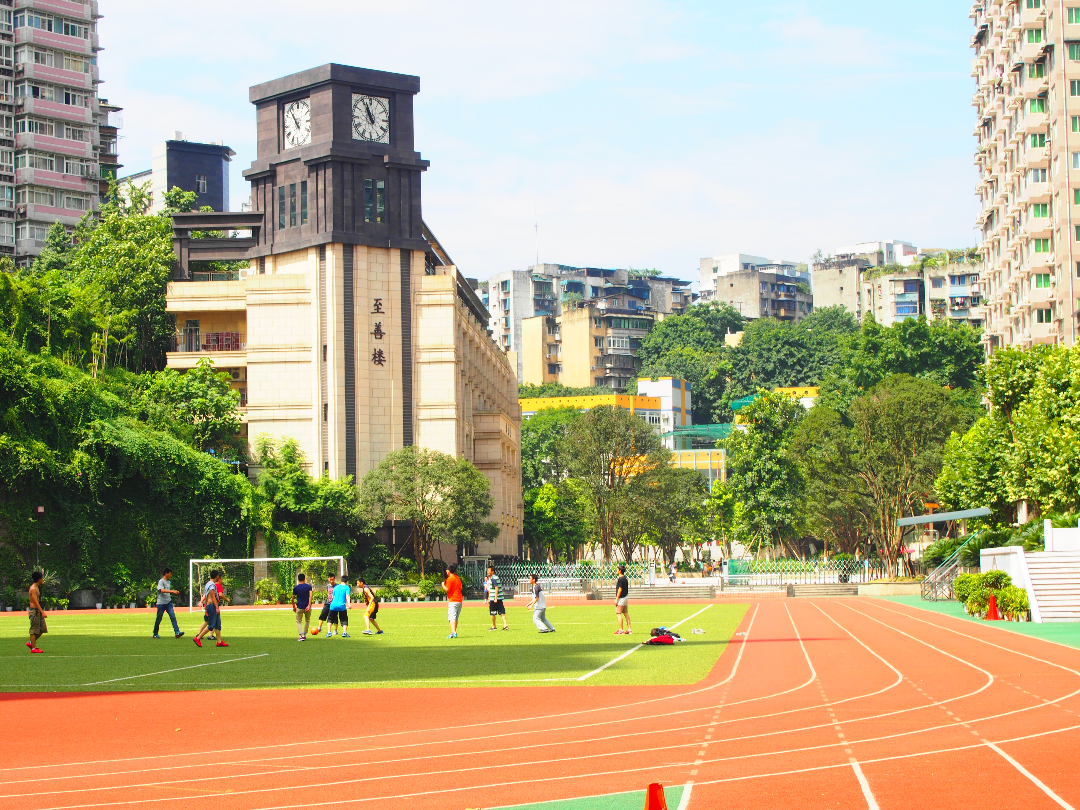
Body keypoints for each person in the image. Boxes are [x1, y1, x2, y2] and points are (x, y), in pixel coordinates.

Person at [194, 570, 228, 648]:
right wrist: (217, 607)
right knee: (211, 625)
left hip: (209, 606)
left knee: (217, 624)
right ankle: (198, 638)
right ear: (216, 576)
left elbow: (205, 596)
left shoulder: (207, 584)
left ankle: (219, 642)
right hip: (212, 606)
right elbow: (213, 597)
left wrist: (206, 608)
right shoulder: (212, 586)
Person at [152, 567, 184, 639]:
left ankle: (177, 632)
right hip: (161, 603)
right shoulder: (161, 581)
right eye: (170, 573)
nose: (170, 575)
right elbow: (162, 590)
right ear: (166, 573)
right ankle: (155, 633)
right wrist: (172, 591)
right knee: (159, 618)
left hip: (168, 602)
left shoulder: (169, 582)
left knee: (173, 617)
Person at [27, 571, 47, 653]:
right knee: (34, 630)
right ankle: (33, 648)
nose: (43, 580)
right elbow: (35, 602)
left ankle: (31, 643)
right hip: (34, 611)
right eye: (42, 578)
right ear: (39, 579)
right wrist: (42, 612)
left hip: (37, 611)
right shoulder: (33, 589)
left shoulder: (36, 587)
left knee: (42, 629)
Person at [485, 565, 508, 631]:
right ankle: (505, 625)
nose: (488, 571)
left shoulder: (493, 578)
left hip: (495, 598)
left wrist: (495, 598)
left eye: (489, 570)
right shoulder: (496, 577)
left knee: (492, 612)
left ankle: (493, 626)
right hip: (499, 598)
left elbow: (496, 587)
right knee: (501, 611)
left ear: (492, 571)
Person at [443, 564, 463, 639]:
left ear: (449, 571)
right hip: (459, 599)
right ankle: (454, 631)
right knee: (456, 618)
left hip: (453, 600)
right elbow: (460, 587)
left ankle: (453, 632)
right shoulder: (457, 578)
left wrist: (443, 586)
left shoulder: (450, 578)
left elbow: (447, 589)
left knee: (452, 617)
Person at [292, 572, 313, 641]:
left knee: (298, 621)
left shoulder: (296, 588)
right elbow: (310, 596)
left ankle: (301, 635)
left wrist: (293, 606)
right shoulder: (309, 587)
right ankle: (304, 633)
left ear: (298, 579)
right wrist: (309, 605)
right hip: (307, 606)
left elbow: (292, 598)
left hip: (300, 606)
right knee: (307, 620)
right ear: (305, 578)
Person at [614, 564, 632, 635]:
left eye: (617, 569)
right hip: (625, 597)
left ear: (620, 571)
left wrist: (616, 599)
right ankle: (629, 629)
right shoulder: (625, 579)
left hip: (621, 598)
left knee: (618, 613)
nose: (616, 571)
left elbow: (620, 589)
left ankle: (621, 629)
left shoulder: (620, 579)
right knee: (626, 613)